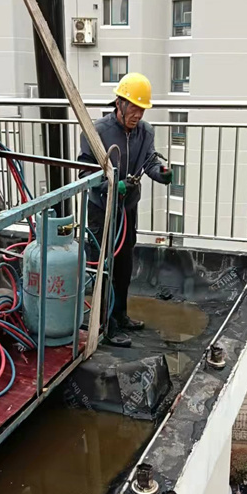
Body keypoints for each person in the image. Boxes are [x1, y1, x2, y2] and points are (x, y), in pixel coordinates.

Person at [78, 73, 172, 347]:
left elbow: (149, 161)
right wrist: (110, 184)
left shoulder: (146, 132)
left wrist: (161, 173)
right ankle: (103, 325)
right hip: (101, 209)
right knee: (103, 265)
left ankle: (120, 314)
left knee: (124, 264)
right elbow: (84, 170)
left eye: (142, 110)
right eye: (133, 108)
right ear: (118, 104)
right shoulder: (97, 132)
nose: (137, 115)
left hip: (127, 206)